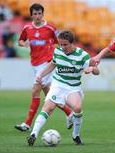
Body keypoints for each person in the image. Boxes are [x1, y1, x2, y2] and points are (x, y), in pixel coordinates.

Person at [27, 30, 100, 146]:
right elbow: (53, 64)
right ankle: (33, 134)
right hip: (58, 84)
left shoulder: (83, 55)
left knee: (77, 107)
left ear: (72, 43)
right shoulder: (58, 51)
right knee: (48, 107)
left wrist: (91, 69)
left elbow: (97, 71)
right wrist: (41, 74)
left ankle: (76, 136)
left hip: (73, 87)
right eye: (61, 44)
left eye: (65, 44)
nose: (63, 47)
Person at [14, 3, 72, 132]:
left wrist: (60, 54)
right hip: (35, 64)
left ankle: (27, 123)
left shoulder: (50, 28)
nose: (37, 16)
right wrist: (24, 43)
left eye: (39, 13)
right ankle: (70, 113)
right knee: (50, 96)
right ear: (31, 15)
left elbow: (62, 42)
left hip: (46, 63)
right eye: (35, 14)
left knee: (35, 91)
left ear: (42, 14)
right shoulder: (27, 28)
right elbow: (20, 40)